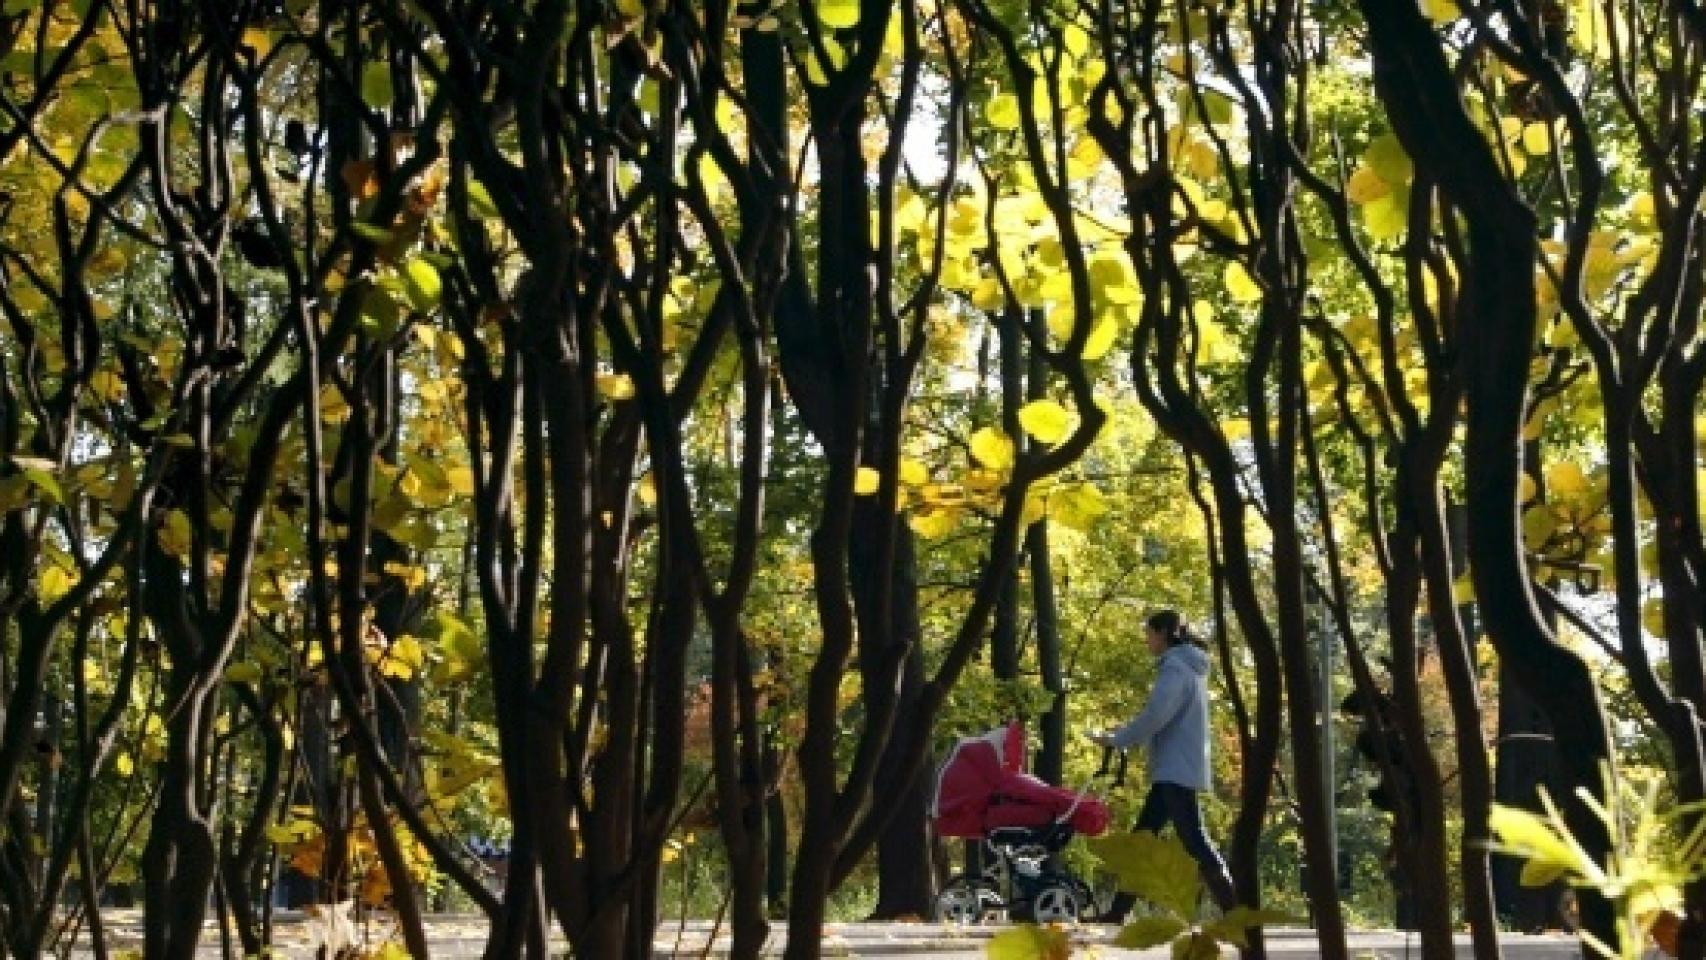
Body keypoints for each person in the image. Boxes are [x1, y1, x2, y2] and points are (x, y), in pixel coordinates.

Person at [1089, 609, 1237, 921]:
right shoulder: (1187, 667)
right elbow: (1159, 716)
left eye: (1149, 633)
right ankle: (1117, 911)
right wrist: (1123, 733)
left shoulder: (1176, 669)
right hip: (1175, 767)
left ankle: (1236, 911)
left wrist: (1118, 739)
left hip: (1175, 769)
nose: (1147, 640)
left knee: (1196, 842)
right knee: (1143, 839)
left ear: (1163, 634)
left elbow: (1156, 716)